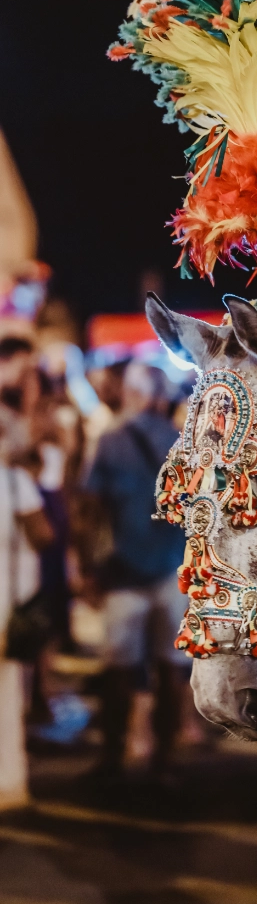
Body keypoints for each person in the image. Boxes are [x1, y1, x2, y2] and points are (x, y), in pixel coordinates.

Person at [82, 360, 187, 780]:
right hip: (172, 570)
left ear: (132, 395)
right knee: (170, 668)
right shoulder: (182, 441)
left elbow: (90, 507)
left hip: (124, 569)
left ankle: (112, 756)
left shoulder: (109, 441)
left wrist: (87, 566)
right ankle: (164, 758)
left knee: (119, 668)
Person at [0, 337, 53, 810]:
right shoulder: (14, 481)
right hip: (9, 604)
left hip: (10, 602)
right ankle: (9, 783)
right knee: (6, 697)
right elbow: (43, 536)